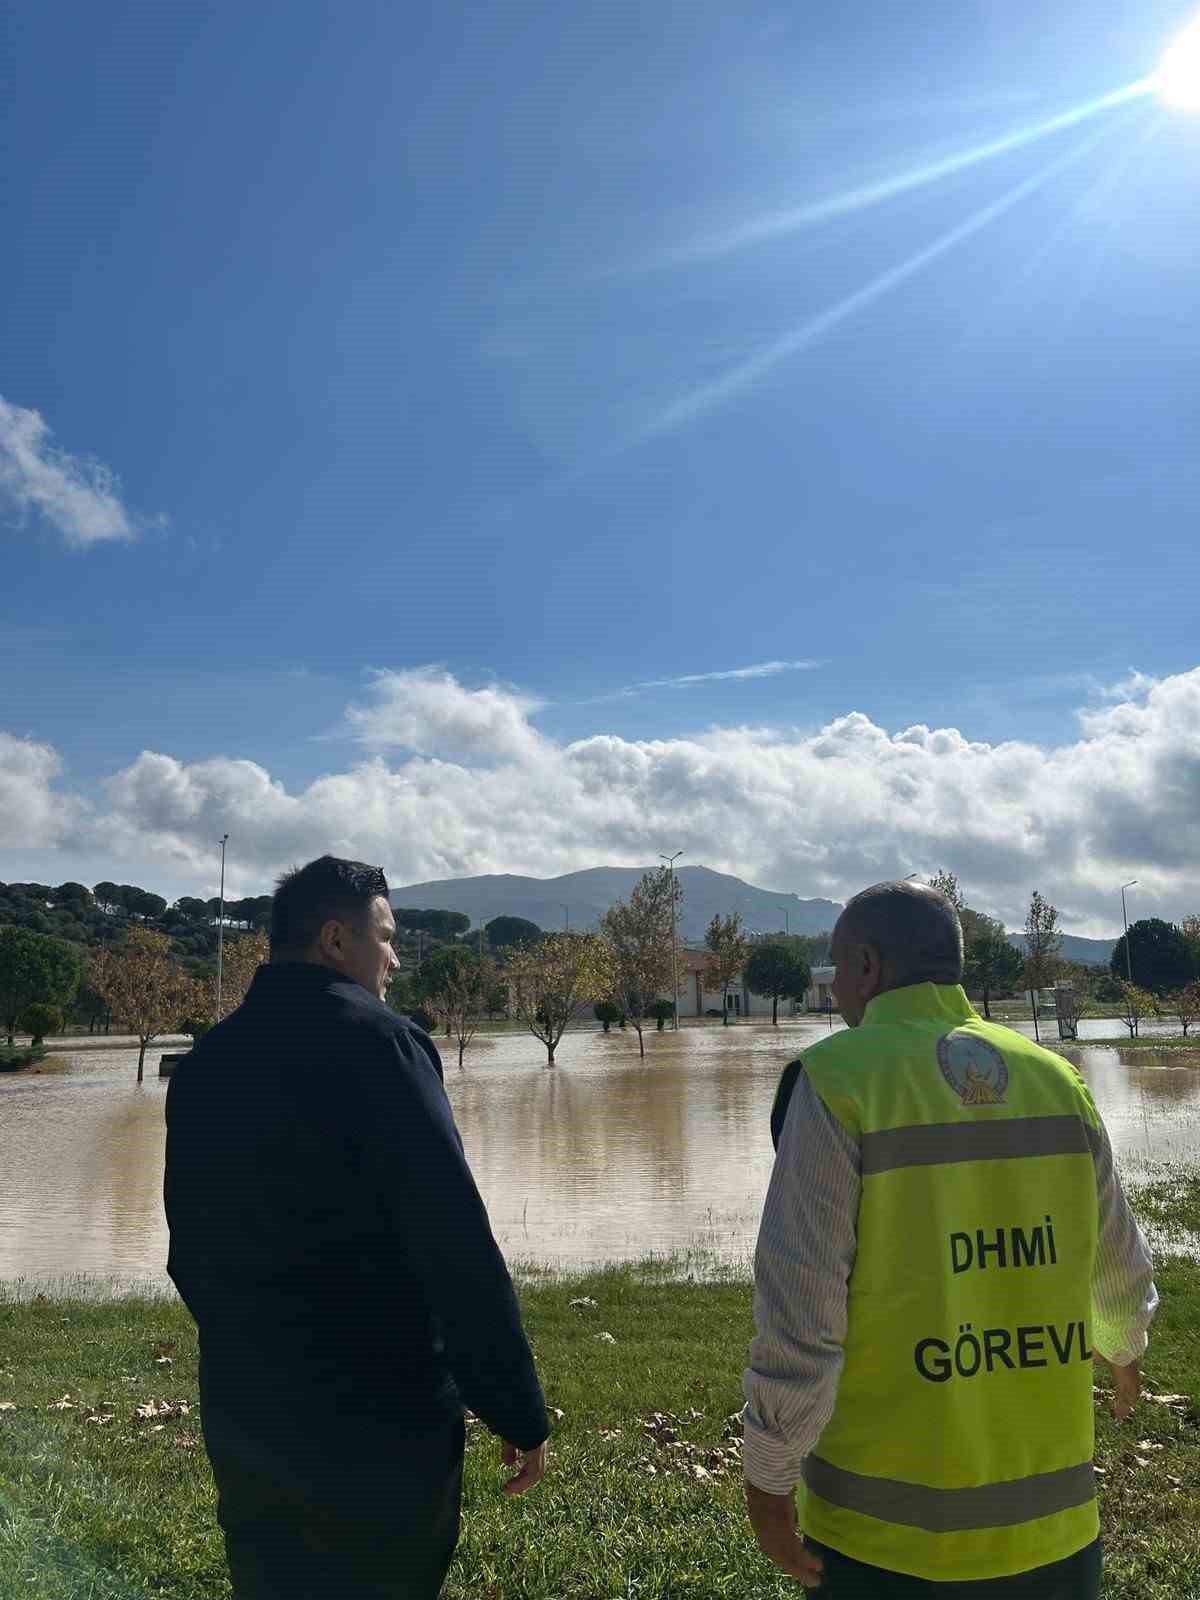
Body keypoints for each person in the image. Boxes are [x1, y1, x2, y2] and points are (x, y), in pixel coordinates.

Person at [742, 880, 1157, 1598]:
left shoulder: (838, 1081)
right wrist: (1123, 1345)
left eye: (838, 970)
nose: (835, 989)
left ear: (868, 966)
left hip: (885, 1546)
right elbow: (1115, 1257)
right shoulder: (1058, 1080)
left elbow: (802, 1312)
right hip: (1055, 1537)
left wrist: (768, 1478)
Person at [164, 855, 548, 1599]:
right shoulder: (383, 1044)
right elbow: (454, 1243)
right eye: (387, 936)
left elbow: (192, 1249)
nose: (396, 956)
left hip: (249, 1416)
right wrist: (514, 1405)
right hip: (379, 1425)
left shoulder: (207, 1063)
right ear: (337, 941)